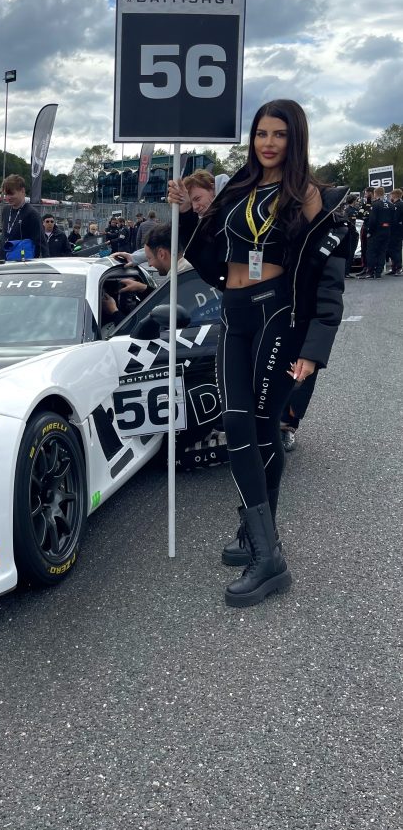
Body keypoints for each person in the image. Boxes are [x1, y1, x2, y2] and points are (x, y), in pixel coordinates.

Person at [168, 99, 349, 608]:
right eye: (261, 134)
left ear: (296, 140)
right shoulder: (238, 187)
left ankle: (269, 556)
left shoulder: (309, 196)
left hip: (277, 317)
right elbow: (202, 251)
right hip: (234, 313)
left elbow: (329, 282)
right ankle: (257, 535)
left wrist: (313, 351)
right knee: (241, 423)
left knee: (256, 425)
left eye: (279, 135)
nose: (268, 143)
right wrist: (184, 211)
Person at [0, 175, 42, 261]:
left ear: (22, 191)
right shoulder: (6, 210)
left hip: (22, 265)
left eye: (11, 194)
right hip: (3, 262)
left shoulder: (32, 213)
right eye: (6, 194)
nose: (8, 198)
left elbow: (40, 243)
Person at [361, 186, 393, 279]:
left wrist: (370, 232)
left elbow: (372, 220)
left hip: (376, 232)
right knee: (382, 252)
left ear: (375, 193)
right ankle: (378, 272)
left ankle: (370, 272)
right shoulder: (390, 204)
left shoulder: (375, 204)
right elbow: (393, 219)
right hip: (387, 231)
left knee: (371, 252)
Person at [387, 188, 402, 275]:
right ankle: (394, 267)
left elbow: (395, 219)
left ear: (395, 195)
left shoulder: (398, 205)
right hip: (396, 230)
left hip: (396, 231)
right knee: (392, 249)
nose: (390, 196)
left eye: (392, 195)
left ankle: (398, 267)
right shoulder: (397, 204)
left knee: (396, 249)